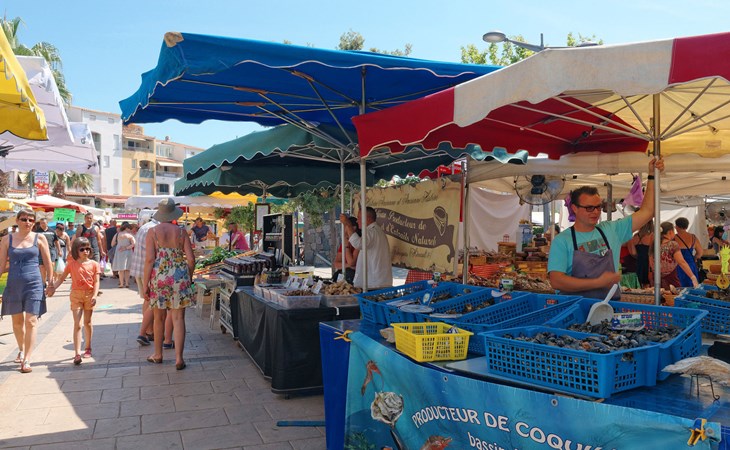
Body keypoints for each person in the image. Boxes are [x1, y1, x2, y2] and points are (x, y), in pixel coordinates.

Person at [548, 157, 664, 299]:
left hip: (609, 306)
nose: (595, 212)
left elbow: (647, 212)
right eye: (589, 208)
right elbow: (556, 281)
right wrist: (597, 282)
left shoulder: (611, 230)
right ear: (574, 208)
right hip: (576, 307)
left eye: (598, 207)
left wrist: (652, 176)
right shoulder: (562, 241)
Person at [143, 198, 195, 370]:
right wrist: (188, 278)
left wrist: (146, 283)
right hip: (180, 276)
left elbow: (149, 260)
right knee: (178, 318)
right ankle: (179, 358)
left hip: (159, 276)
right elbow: (191, 259)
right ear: (174, 213)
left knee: (159, 318)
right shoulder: (181, 232)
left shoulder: (152, 232)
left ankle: (158, 354)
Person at [0, 209, 53, 373]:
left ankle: (27, 359)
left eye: (31, 220)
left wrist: (51, 282)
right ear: (17, 221)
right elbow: (1, 265)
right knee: (17, 322)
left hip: (34, 284)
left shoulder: (40, 238)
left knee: (31, 321)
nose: (28, 222)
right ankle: (22, 349)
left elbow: (48, 262)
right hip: (14, 285)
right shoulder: (7, 239)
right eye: (24, 219)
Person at [48, 237, 101, 365]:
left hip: (89, 295)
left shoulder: (94, 264)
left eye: (87, 249)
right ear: (76, 250)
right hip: (76, 295)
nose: (85, 251)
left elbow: (96, 281)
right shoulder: (71, 265)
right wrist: (53, 288)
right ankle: (77, 353)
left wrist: (94, 295)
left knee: (87, 322)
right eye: (82, 249)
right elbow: (61, 279)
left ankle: (88, 347)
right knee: (78, 324)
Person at [340, 207, 393, 290]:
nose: (357, 221)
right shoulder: (373, 231)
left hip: (374, 284)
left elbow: (358, 244)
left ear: (367, 218)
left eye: (359, 218)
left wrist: (348, 224)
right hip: (375, 282)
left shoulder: (372, 232)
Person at [131, 218, 158, 346]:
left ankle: (147, 330)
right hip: (148, 270)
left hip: (141, 268)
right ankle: (147, 331)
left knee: (148, 300)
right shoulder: (153, 229)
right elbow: (150, 256)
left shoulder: (146, 226)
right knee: (151, 301)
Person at [651, 222, 699, 289]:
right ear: (670, 232)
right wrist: (692, 277)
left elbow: (651, 264)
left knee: (659, 295)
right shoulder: (673, 245)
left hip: (656, 277)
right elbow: (681, 262)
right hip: (671, 278)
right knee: (672, 294)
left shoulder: (654, 244)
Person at [674, 217, 703, 287]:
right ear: (686, 226)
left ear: (677, 227)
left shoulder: (673, 238)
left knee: (679, 288)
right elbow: (700, 252)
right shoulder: (693, 237)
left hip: (677, 266)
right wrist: (694, 258)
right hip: (691, 265)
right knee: (692, 286)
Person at [35, 217, 60, 290]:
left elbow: (56, 241)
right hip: (40, 251)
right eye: (41, 223)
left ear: (47, 223)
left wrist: (59, 250)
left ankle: (50, 281)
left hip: (51, 250)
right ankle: (43, 283)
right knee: (42, 267)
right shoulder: (37, 232)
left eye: (44, 223)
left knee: (51, 265)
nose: (42, 224)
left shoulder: (52, 231)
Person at [627, 220, 653, 288]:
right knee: (649, 286)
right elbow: (652, 253)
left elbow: (633, 253)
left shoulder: (635, 236)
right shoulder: (652, 235)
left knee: (640, 284)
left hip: (638, 263)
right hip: (648, 263)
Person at [333, 216, 359, 284]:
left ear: (354, 227)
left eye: (345, 226)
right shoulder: (344, 243)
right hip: (344, 274)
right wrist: (349, 265)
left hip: (355, 277)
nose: (343, 229)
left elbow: (351, 262)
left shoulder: (358, 242)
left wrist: (347, 246)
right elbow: (336, 264)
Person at [111, 222, 136, 288]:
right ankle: (127, 283)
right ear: (126, 228)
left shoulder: (117, 234)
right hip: (128, 252)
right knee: (127, 269)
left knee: (121, 269)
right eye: (129, 228)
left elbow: (112, 244)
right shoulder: (130, 235)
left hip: (119, 252)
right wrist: (126, 247)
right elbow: (134, 244)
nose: (130, 229)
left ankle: (121, 283)